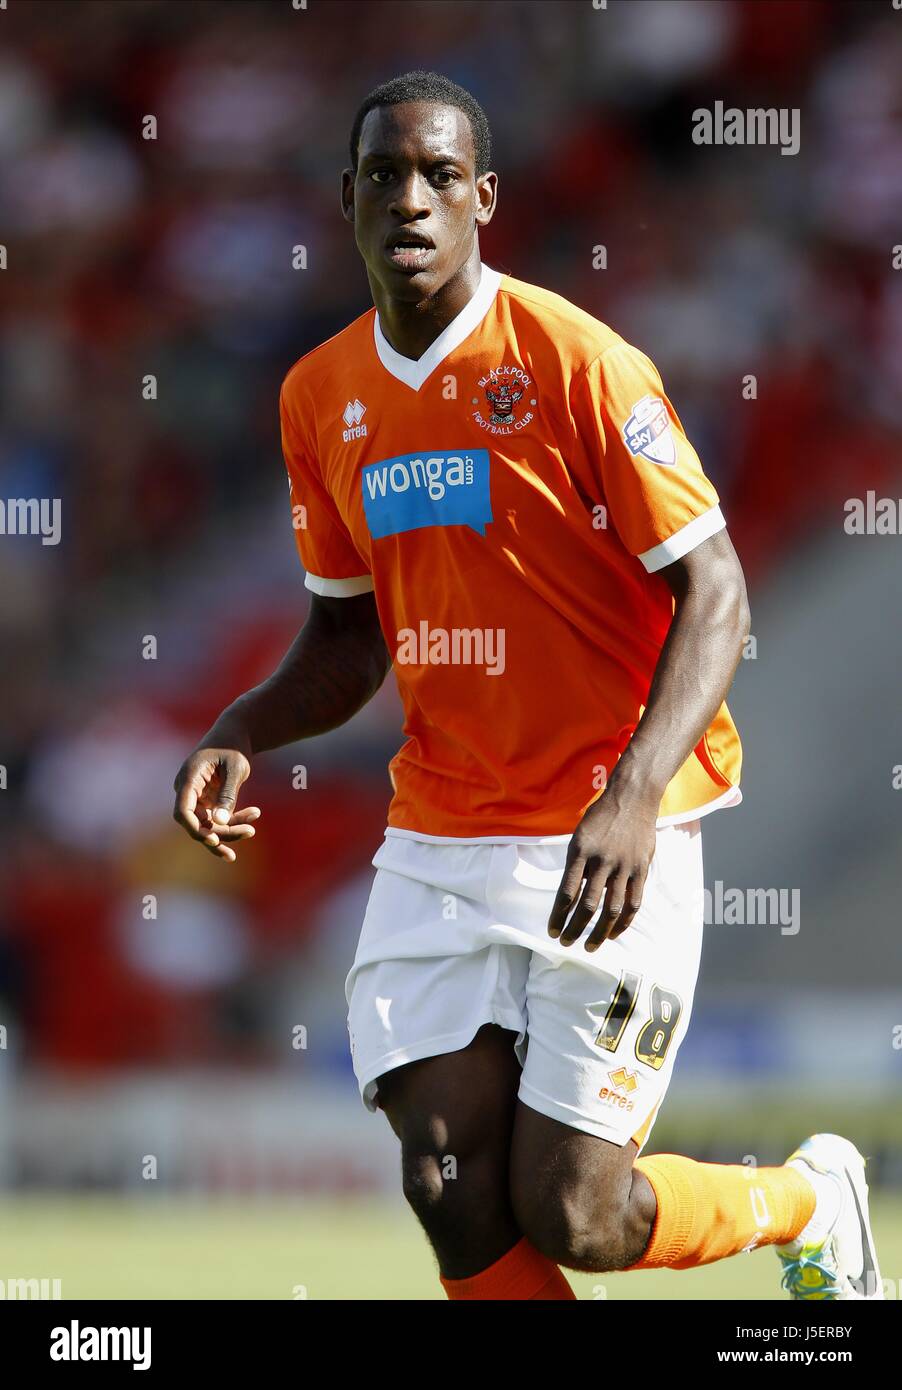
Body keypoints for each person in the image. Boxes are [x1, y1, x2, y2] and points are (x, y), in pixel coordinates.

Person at [173, 71, 882, 1301]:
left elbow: (716, 592)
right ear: (345, 200)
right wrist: (244, 726)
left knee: (575, 1211)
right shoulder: (318, 397)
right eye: (385, 175)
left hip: (609, 828)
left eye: (440, 175)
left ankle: (811, 1198)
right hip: (442, 828)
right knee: (444, 1180)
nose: (412, 198)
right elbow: (347, 639)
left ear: (484, 199)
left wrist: (632, 794)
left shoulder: (576, 362)